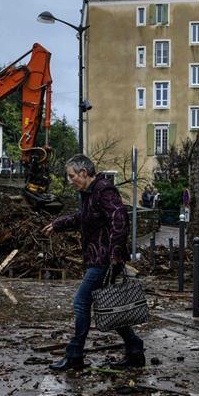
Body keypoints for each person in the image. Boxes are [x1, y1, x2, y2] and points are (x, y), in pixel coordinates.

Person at [42, 154, 144, 371]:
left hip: (104, 258)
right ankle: (135, 348)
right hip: (98, 257)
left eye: (71, 176)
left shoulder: (103, 190)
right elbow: (83, 217)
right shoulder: (89, 194)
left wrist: (115, 253)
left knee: (81, 301)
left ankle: (75, 354)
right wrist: (58, 224)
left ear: (83, 173)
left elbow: (119, 219)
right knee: (109, 305)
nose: (70, 181)